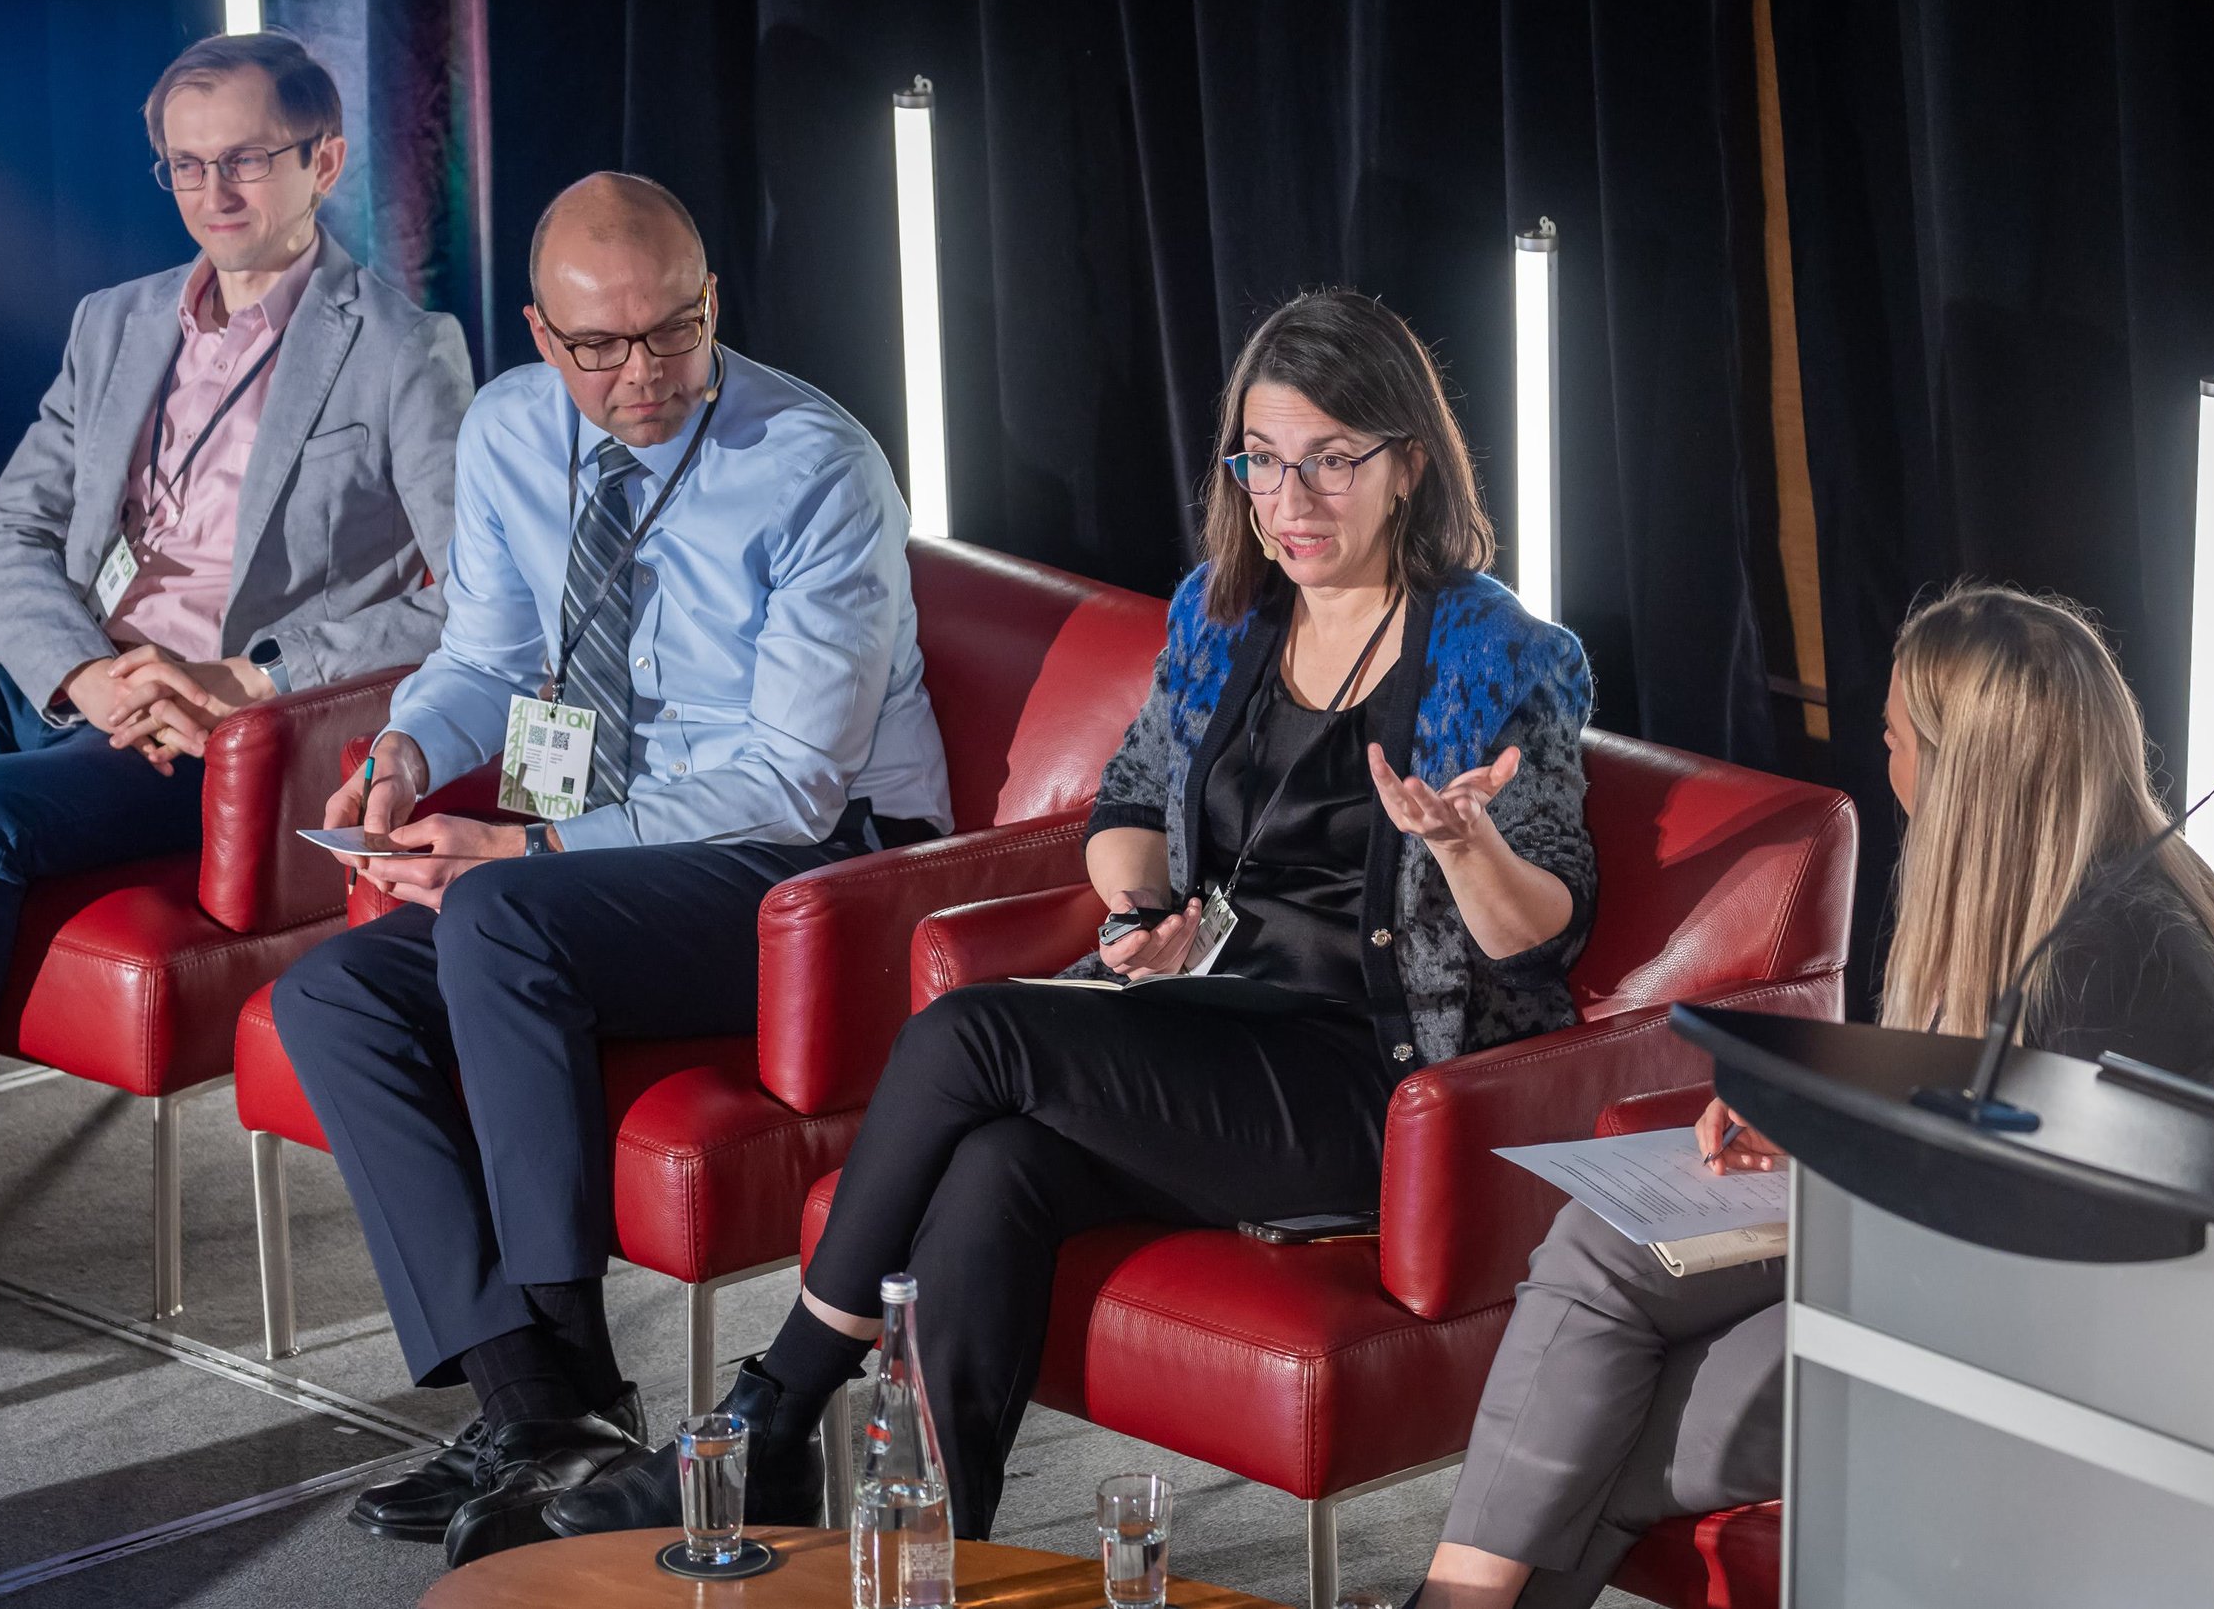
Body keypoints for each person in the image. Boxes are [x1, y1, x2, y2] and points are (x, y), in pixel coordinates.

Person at [542, 287, 1601, 1547]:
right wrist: (1144, 905)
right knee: (998, 1169)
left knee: (968, 1036)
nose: (1292, 500)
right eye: (1263, 462)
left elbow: (1542, 936)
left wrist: (1464, 842)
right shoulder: (1225, 612)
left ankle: (771, 1417)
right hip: (1213, 1030)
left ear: (1407, 465)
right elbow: (1131, 798)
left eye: (1330, 460)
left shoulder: (1504, 657)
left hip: (1380, 1084)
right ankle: (935, 1554)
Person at [270, 171, 952, 1567]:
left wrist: (530, 842)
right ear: (538, 331)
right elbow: (488, 657)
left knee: (504, 913)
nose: (642, 375)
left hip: (808, 878)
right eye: (601, 347)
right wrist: (404, 751)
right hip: (590, 853)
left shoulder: (817, 463)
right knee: (333, 991)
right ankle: (543, 1409)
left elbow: (792, 780)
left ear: (712, 306)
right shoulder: (514, 430)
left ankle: (562, 1385)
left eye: (675, 334)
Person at [1418, 583, 2214, 1609]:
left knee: (1606, 1425)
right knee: (1597, 1242)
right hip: (1942, 1278)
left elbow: (2044, 1245)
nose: (1883, 763)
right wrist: (1813, 1129)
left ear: (1958, 764)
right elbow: (1963, 1140)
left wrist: (1840, 1163)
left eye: (1891, 738)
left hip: (2039, 1357)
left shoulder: (2115, 958)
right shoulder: (2044, 891)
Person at [0, 32, 469, 1329]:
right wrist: (80, 667)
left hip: (204, 724)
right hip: (38, 661)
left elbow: (463, 602)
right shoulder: (113, 321)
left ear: (324, 160)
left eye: (243, 162)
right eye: (185, 166)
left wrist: (251, 674)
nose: (213, 193)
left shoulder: (407, 350)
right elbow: (9, 535)